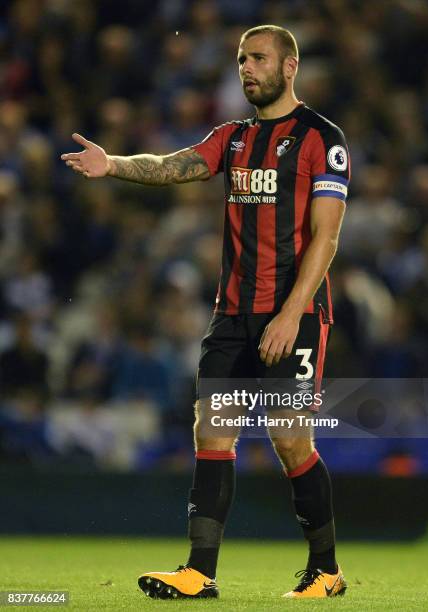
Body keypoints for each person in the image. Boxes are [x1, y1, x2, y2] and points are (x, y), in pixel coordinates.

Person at [62, 25, 350, 600]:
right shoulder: (234, 138)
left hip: (293, 312)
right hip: (232, 314)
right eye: (242, 59)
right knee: (212, 429)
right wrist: (112, 163)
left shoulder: (322, 138)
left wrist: (291, 314)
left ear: (289, 67)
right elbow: (176, 165)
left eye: (259, 59)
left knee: (290, 437)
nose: (247, 68)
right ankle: (199, 572)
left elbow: (326, 238)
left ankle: (326, 570)